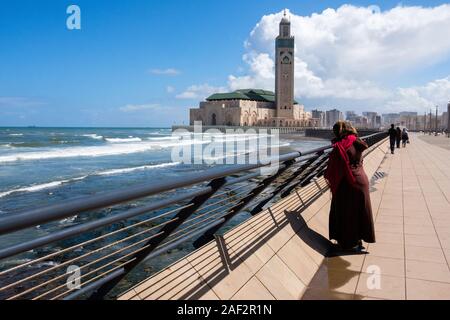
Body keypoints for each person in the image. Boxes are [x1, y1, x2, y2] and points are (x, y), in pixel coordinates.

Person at [324, 121, 376, 252]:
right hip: (361, 179)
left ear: (339, 132)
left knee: (346, 212)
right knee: (360, 211)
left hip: (348, 182)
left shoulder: (341, 146)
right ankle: (358, 241)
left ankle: (348, 244)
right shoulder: (356, 141)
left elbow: (335, 167)